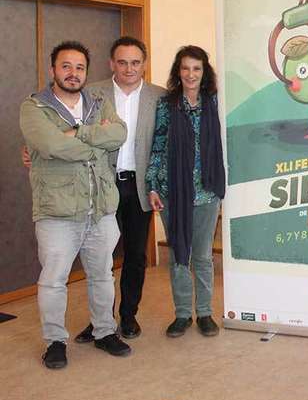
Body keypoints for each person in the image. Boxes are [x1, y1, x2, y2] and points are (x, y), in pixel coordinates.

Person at [20, 41, 132, 369]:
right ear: (53, 70)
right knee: (53, 280)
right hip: (57, 211)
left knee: (102, 276)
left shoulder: (98, 102)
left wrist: (77, 133)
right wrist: (95, 141)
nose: (73, 73)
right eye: (66, 66)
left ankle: (104, 331)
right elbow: (51, 145)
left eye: (80, 67)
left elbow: (120, 134)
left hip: (100, 208)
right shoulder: (34, 107)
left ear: (86, 72)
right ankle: (55, 341)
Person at [68, 37, 165, 342]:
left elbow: (165, 145)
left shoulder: (160, 97)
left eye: (135, 62)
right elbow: (64, 129)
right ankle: (101, 320)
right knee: (99, 256)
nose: (129, 69)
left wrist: (159, 185)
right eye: (122, 62)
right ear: (112, 64)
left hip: (140, 187)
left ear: (144, 64)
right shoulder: (90, 93)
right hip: (101, 185)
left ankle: (128, 315)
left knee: (135, 255)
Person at [146, 45, 226, 338]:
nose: (190, 74)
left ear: (204, 72)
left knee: (202, 256)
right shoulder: (167, 105)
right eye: (185, 68)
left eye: (196, 68)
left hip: (206, 193)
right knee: (180, 254)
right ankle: (182, 314)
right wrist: (152, 185)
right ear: (177, 72)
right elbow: (157, 146)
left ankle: (204, 313)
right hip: (173, 192)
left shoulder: (215, 103)